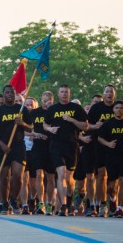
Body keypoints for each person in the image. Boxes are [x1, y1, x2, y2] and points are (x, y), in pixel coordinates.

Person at [43, 85, 88, 216]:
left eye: (66, 92)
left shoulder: (76, 108)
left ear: (69, 94)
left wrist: (71, 119)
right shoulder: (53, 109)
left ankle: (69, 201)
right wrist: (50, 129)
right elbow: (45, 124)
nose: (64, 94)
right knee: (61, 174)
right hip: (56, 145)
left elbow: (85, 125)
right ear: (58, 94)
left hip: (71, 145)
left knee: (69, 179)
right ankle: (63, 206)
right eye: (62, 92)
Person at [0, 85, 32, 214]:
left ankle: (14, 199)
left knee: (18, 175)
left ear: (15, 94)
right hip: (2, 146)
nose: (10, 95)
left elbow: (30, 128)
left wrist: (22, 124)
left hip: (18, 146)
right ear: (4, 95)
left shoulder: (22, 109)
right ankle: (3, 202)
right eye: (7, 92)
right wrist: (1, 145)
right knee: (4, 177)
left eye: (12, 93)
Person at [98, 100, 123, 217]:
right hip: (111, 156)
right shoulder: (108, 123)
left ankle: (120, 208)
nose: (119, 110)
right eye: (117, 108)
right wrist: (108, 144)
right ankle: (113, 200)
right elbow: (100, 138)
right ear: (113, 110)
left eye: (122, 108)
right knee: (111, 186)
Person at [88, 85, 117, 217]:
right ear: (103, 94)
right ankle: (102, 204)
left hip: (116, 147)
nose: (109, 94)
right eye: (107, 92)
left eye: (111, 92)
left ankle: (113, 199)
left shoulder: (119, 107)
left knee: (113, 181)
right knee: (101, 175)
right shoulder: (96, 108)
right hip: (99, 145)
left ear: (114, 95)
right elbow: (87, 125)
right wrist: (95, 126)